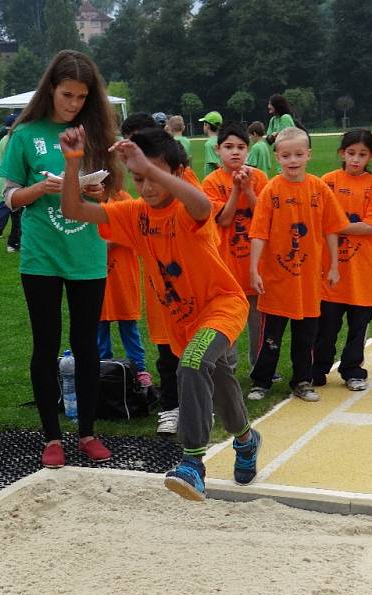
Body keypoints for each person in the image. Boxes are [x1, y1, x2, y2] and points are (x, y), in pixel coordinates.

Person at [59, 125, 260, 501]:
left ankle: (193, 461)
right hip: (182, 321)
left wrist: (151, 169)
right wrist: (72, 163)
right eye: (138, 178)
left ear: (177, 174)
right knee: (221, 388)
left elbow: (203, 207)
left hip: (222, 305)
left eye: (154, 176)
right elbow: (73, 209)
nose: (146, 187)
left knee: (192, 365)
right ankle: (246, 439)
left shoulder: (187, 210)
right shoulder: (135, 214)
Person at [0, 50, 121, 468]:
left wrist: (96, 192)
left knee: (87, 346)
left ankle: (87, 432)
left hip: (86, 253)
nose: (73, 104)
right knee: (45, 344)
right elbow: (9, 196)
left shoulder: (97, 133)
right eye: (67, 94)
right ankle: (51, 437)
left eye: (82, 97)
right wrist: (40, 190)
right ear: (51, 88)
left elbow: (110, 194)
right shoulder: (25, 133)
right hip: (41, 256)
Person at [248, 127, 348, 402]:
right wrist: (254, 269)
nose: (293, 160)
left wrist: (334, 266)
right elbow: (259, 233)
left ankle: (303, 381)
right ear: (277, 157)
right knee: (271, 337)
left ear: (308, 155)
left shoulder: (319, 189)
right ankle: (261, 381)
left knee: (306, 337)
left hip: (308, 281)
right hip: (276, 281)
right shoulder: (271, 191)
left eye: (298, 154)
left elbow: (331, 229)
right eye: (286, 155)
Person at [120, 113, 184, 434]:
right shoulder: (138, 207)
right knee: (167, 356)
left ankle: (199, 405)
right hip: (163, 298)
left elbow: (201, 209)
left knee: (198, 361)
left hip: (196, 299)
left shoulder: (186, 195)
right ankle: (172, 407)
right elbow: (77, 210)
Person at [312, 129, 372, 391]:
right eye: (351, 153)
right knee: (326, 327)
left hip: (361, 273)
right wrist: (338, 225)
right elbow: (317, 220)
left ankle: (353, 369)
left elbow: (370, 227)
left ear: (371, 156)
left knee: (358, 326)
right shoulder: (326, 182)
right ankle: (317, 369)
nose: (356, 159)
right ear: (342, 153)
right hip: (330, 273)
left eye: (362, 154)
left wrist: (335, 225)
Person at [201, 122, 269, 371]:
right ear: (217, 150)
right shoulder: (210, 182)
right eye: (228, 147)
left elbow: (262, 214)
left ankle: (259, 366)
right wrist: (235, 191)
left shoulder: (259, 177)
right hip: (226, 262)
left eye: (241, 147)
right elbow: (224, 219)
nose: (235, 152)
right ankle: (228, 366)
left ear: (248, 150)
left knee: (257, 318)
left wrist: (248, 188)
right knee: (229, 317)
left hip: (253, 263)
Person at [98, 186, 152, 388]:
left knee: (128, 324)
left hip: (123, 276)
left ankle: (139, 369)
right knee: (99, 324)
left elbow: (134, 229)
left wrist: (109, 242)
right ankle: (104, 369)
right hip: (96, 277)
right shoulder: (85, 200)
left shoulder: (123, 198)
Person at [0, 112, 22, 252]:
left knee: (7, 209)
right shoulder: (13, 140)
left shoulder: (3, 141)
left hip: (4, 180)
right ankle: (9, 239)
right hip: (12, 180)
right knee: (12, 211)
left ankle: (2, 234)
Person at [199, 110, 223, 177]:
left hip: (213, 180)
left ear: (207, 126)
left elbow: (217, 164)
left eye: (204, 124)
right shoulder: (222, 140)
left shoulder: (209, 144)